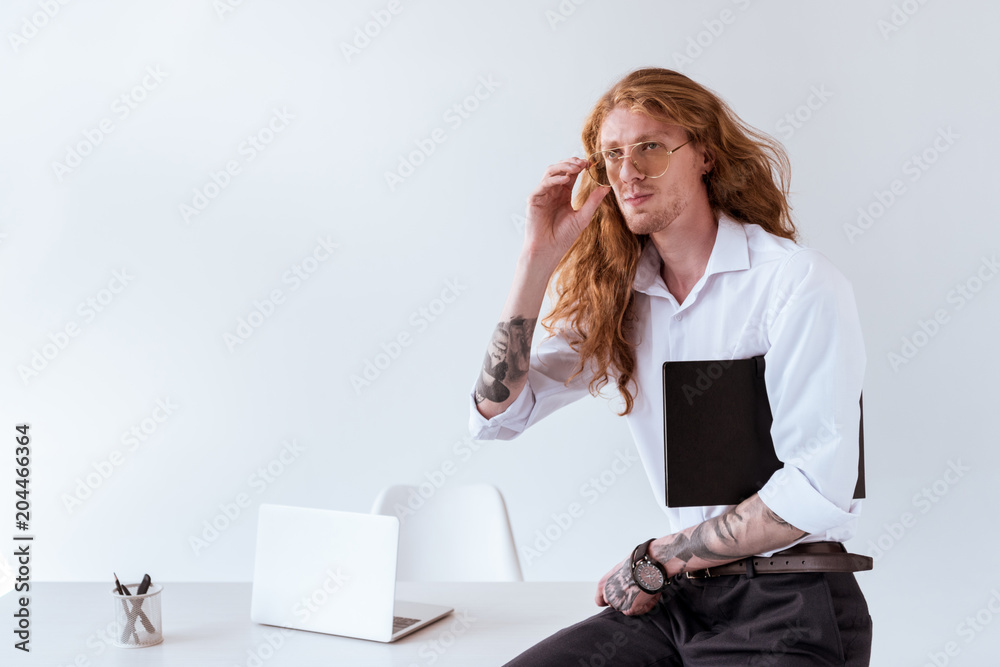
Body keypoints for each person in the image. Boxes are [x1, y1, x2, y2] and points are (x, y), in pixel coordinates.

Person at [467, 68, 872, 666]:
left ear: (704, 154)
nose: (628, 171)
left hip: (789, 601)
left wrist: (660, 557)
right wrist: (537, 259)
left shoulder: (792, 282)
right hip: (679, 601)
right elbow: (498, 412)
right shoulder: (623, 300)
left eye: (650, 147)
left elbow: (816, 489)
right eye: (612, 155)